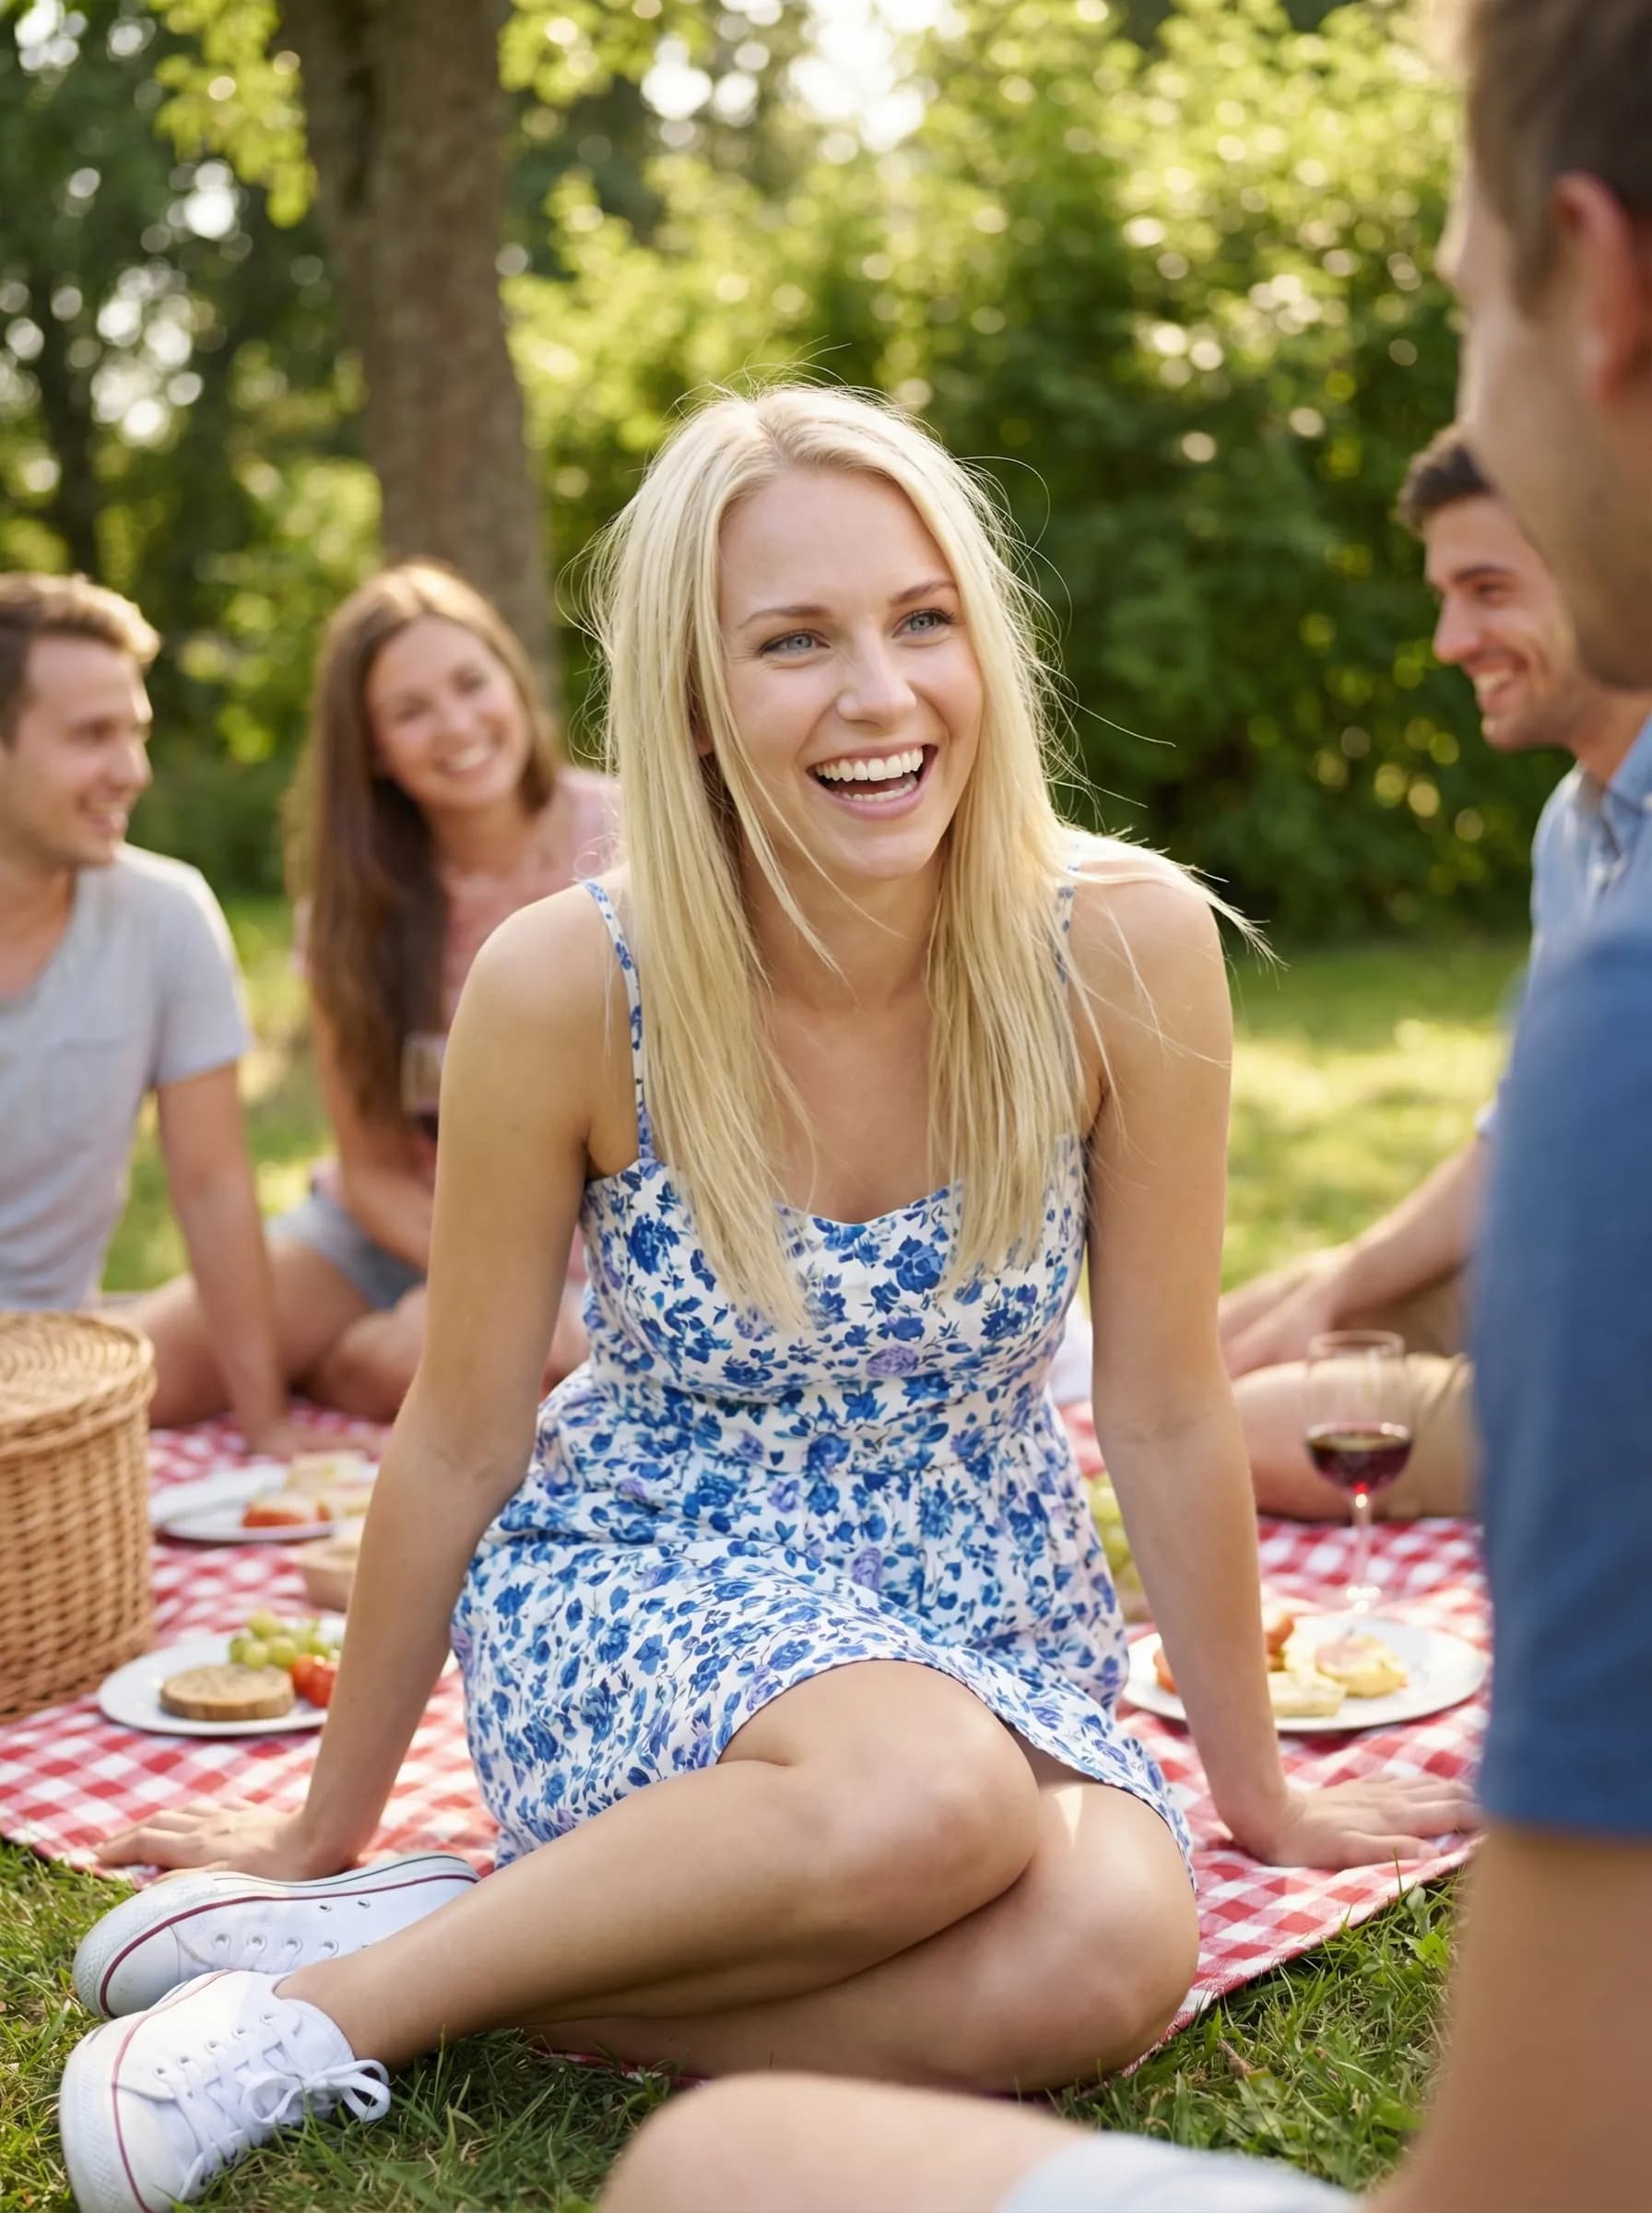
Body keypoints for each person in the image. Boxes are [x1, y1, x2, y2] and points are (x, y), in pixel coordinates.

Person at [53, 387, 1465, 2213]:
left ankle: (499, 1949)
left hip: (987, 1594)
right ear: (694, 694)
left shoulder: (1123, 946)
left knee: (1119, 1947)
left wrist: (1255, 1793)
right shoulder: (571, 986)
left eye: (919, 619)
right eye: (792, 641)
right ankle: (323, 2010)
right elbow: (464, 1428)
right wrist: (312, 1812)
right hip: (648, 1571)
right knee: (937, 1796)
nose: (877, 699)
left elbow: (1169, 1402)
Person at [589, 5, 1652, 2207]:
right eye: (797, 639)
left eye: (1462, 300)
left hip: (996, 1686)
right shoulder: (582, 979)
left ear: (1597, 283)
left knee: (738, 2157)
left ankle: (422, 1967)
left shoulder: (1547, 992)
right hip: (738, 1643)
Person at [1221, 426, 1652, 1521]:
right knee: (1227, 1337)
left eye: (1489, 589)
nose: (1453, 640)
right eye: (1445, 594)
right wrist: (1344, 1278)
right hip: (1573, 1291)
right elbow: (1522, 1135)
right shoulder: (1580, 827)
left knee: (1242, 1426)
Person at [131, 562, 619, 1425]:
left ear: (514, 679)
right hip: (399, 1232)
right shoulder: (351, 917)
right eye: (410, 711)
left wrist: (537, 1297)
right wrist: (483, 1279)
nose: (457, 724)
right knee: (134, 1378)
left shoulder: (631, 841)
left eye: (473, 683)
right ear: (374, 750)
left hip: (602, 1244)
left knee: (492, 1369)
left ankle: (349, 1368)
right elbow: (370, 1174)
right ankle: (353, 1358)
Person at [0, 573, 295, 1454]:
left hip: (52, 1399)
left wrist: (268, 1432)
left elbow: (213, 1188)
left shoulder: (167, 915)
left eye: (136, 733)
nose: (131, 771)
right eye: (93, 736)